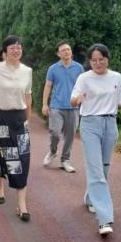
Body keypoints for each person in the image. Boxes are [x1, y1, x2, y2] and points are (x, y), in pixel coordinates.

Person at [70, 43, 121, 237]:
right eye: (94, 60)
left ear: (107, 59)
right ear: (89, 61)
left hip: (110, 124)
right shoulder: (84, 78)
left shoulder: (116, 77)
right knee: (96, 170)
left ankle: (91, 198)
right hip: (90, 124)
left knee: (104, 166)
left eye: (101, 59)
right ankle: (104, 219)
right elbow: (72, 100)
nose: (98, 63)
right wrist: (78, 99)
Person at [0, 36, 32, 221]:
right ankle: (0, 189)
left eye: (19, 47)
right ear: (5, 50)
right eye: (12, 47)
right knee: (1, 155)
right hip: (1, 117)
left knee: (23, 159)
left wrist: (27, 120)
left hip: (20, 119)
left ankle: (22, 204)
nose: (16, 50)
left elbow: (28, 97)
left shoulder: (27, 71)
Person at [41, 41, 84, 173]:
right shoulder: (53, 68)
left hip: (73, 107)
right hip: (56, 106)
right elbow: (48, 86)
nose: (66, 52)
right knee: (54, 132)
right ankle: (53, 152)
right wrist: (44, 104)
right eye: (63, 50)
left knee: (70, 136)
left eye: (68, 49)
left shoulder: (79, 67)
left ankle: (65, 160)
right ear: (58, 54)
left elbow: (84, 86)